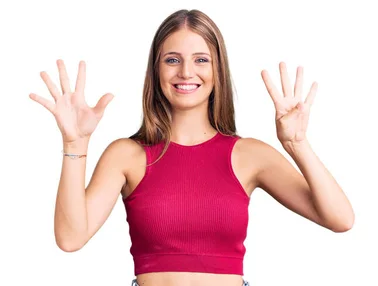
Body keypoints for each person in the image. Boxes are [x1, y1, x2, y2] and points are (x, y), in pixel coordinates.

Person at [29, 9, 354, 286]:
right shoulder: (126, 155)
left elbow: (340, 219)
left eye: (201, 59)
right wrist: (75, 142)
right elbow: (70, 238)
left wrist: (297, 144)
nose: (186, 72)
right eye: (172, 60)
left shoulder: (250, 156)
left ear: (217, 71)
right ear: (156, 71)